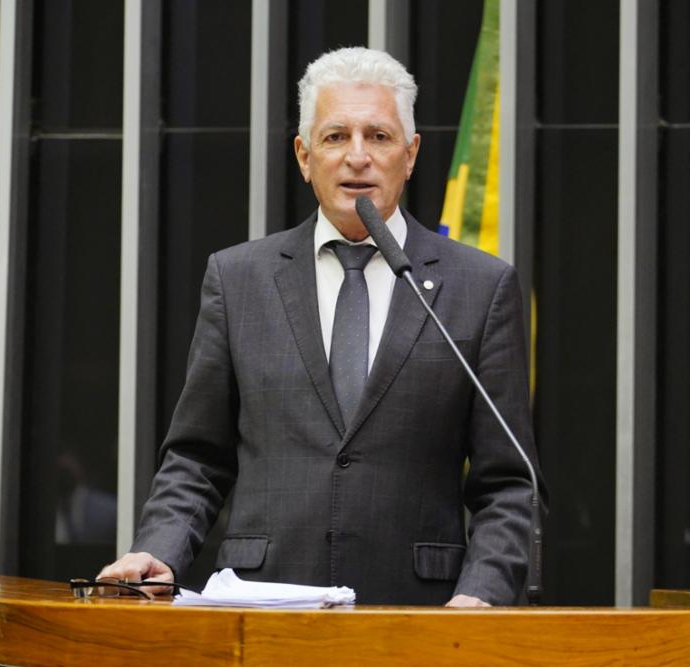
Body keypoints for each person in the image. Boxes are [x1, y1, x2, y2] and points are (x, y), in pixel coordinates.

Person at [100, 47, 542, 606]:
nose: (357, 157)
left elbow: (509, 483)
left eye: (378, 136)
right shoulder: (239, 279)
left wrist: (481, 594)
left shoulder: (481, 286)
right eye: (335, 137)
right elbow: (198, 457)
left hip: (420, 612)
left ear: (410, 154)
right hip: (265, 603)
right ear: (305, 157)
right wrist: (158, 551)